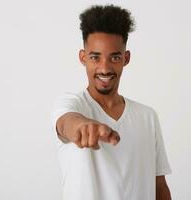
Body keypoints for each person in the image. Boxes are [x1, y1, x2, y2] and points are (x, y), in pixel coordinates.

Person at [52, 4, 172, 200]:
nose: (104, 68)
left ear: (126, 58)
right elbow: (66, 122)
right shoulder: (71, 104)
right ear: (83, 58)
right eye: (95, 57)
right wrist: (82, 126)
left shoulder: (147, 116)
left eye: (114, 57)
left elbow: (159, 187)